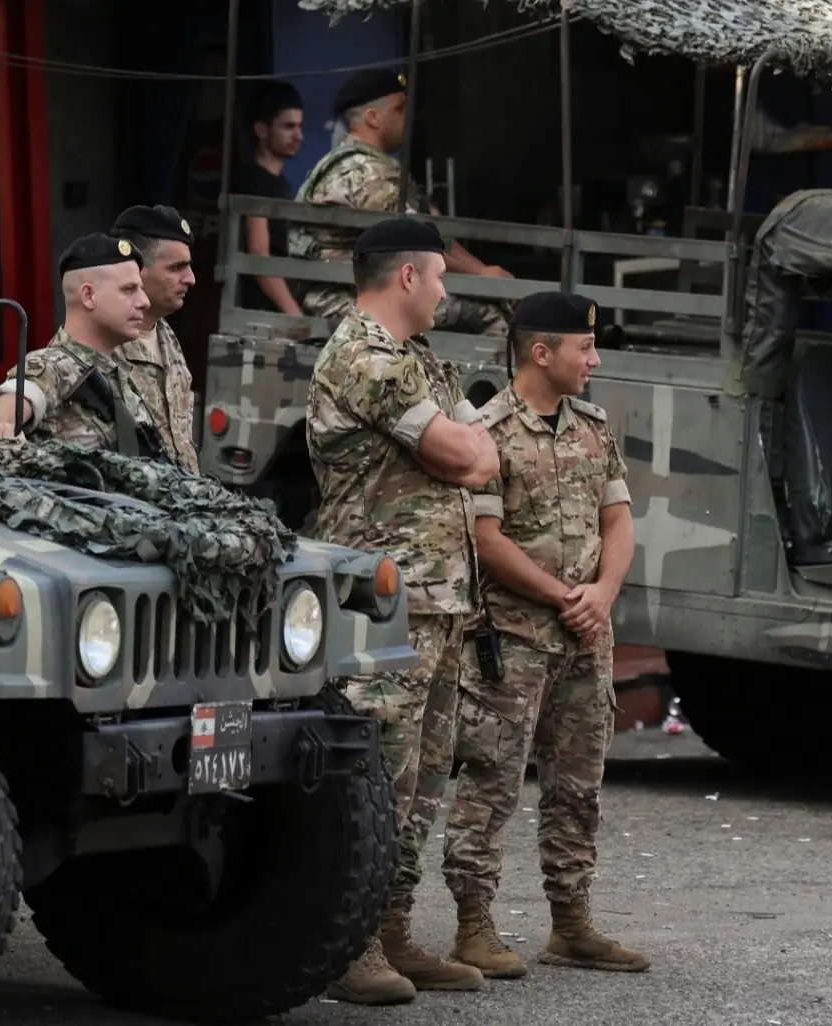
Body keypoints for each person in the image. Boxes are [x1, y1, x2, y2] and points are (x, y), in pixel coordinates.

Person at [307, 215, 499, 1005]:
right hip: (383, 601)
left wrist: (472, 450)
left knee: (421, 781)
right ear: (409, 277)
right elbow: (467, 456)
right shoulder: (363, 355)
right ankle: (342, 943)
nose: (449, 289)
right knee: (376, 777)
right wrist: (471, 448)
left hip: (439, 596)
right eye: (443, 275)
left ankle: (389, 930)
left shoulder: (419, 360)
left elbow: (484, 462)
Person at [442, 291, 647, 981]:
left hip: (587, 637)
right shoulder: (487, 431)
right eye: (583, 348)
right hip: (517, 635)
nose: (593, 360)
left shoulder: (592, 425)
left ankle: (571, 923)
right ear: (541, 352)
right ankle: (473, 926)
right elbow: (484, 538)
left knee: (578, 784)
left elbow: (618, 520)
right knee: (491, 779)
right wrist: (564, 596)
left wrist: (603, 595)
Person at [287, 67, 513, 336]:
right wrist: (483, 273)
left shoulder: (359, 163)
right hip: (342, 300)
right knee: (490, 314)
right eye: (400, 109)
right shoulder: (362, 171)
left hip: (359, 290)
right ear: (372, 118)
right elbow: (420, 239)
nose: (409, 118)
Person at [0, 233, 168, 460]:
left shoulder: (121, 370)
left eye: (141, 289)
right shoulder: (53, 366)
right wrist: (0, 425)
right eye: (129, 289)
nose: (144, 301)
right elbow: (19, 396)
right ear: (89, 296)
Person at [111, 204, 202, 473]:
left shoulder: (166, 336)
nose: (191, 279)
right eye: (177, 268)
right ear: (135, 271)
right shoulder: (98, 343)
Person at [232, 81, 306, 316]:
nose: (299, 136)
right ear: (261, 130)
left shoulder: (278, 183)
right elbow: (259, 255)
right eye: (288, 126)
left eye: (300, 126)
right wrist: (295, 316)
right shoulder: (254, 181)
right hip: (263, 315)